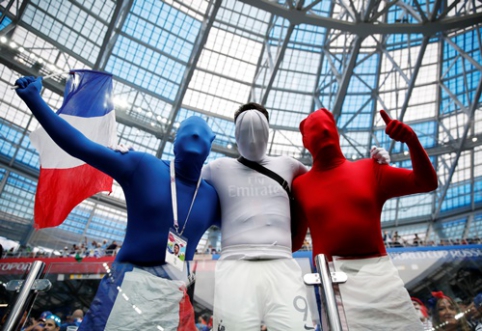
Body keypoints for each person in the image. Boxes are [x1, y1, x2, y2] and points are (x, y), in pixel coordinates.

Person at [15, 75, 220, 331]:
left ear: (211, 143)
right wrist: (35, 101)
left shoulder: (212, 195)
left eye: (201, 135)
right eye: (188, 133)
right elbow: (80, 145)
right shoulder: (143, 166)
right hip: (125, 284)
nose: (194, 138)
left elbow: (257, 218)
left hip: (173, 294)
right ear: (174, 140)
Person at [202, 103, 389, 330]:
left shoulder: (287, 165)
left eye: (258, 129)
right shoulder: (218, 168)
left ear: (268, 132)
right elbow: (181, 182)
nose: (252, 136)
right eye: (245, 129)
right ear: (236, 132)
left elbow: (327, 180)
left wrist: (374, 165)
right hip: (235, 261)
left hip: (280, 261)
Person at [292, 108, 438, 331]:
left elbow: (426, 182)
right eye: (315, 129)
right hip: (335, 283)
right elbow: (294, 242)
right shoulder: (300, 186)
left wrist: (411, 140)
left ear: (336, 132)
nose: (322, 130)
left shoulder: (371, 169)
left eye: (326, 126)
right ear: (305, 141)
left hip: (382, 278)